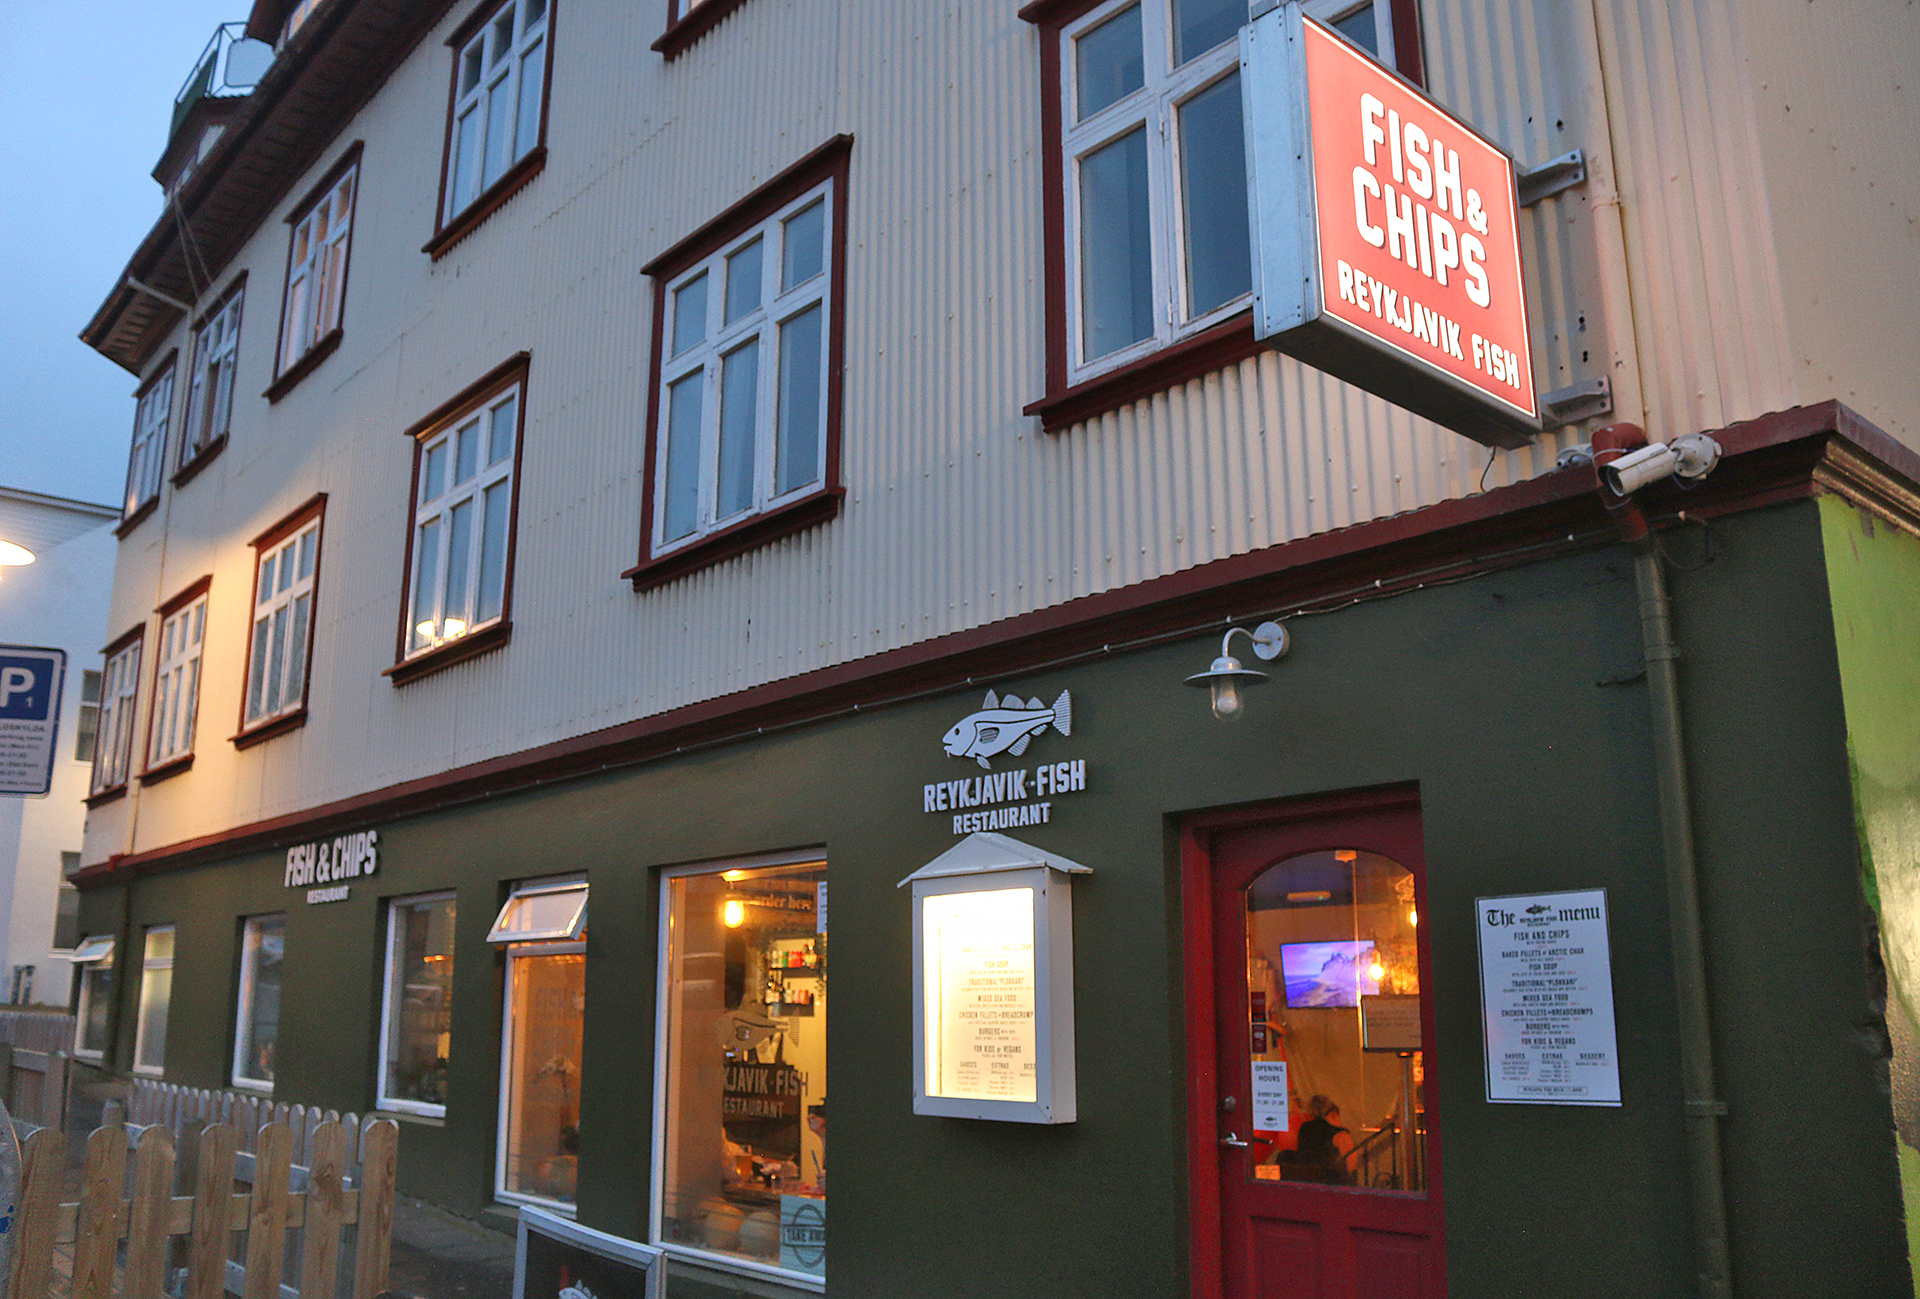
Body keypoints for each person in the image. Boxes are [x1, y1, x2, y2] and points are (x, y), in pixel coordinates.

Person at [1287, 1095, 1355, 1184]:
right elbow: (1351, 1161)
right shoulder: (1339, 1134)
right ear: (1332, 1114)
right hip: (1333, 1184)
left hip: (1307, 1182)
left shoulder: (1305, 1128)